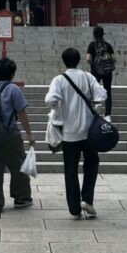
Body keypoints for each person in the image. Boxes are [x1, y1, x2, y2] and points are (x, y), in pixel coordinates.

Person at [45, 47, 107, 219]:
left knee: (70, 169)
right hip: (89, 132)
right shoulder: (88, 77)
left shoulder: (59, 79)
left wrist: (59, 105)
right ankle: (87, 198)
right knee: (92, 163)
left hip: (69, 133)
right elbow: (102, 94)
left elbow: (50, 100)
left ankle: (74, 208)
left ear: (64, 62)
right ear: (79, 60)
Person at [0, 57, 35, 213]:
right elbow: (21, 113)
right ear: (12, 74)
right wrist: (29, 134)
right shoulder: (13, 89)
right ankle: (22, 198)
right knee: (18, 165)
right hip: (10, 135)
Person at [86, 25, 115, 121]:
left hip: (95, 71)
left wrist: (93, 64)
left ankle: (95, 108)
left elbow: (88, 58)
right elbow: (114, 59)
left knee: (93, 90)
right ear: (103, 34)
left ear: (94, 35)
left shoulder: (92, 45)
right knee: (108, 92)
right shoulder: (107, 45)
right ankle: (107, 115)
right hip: (107, 71)